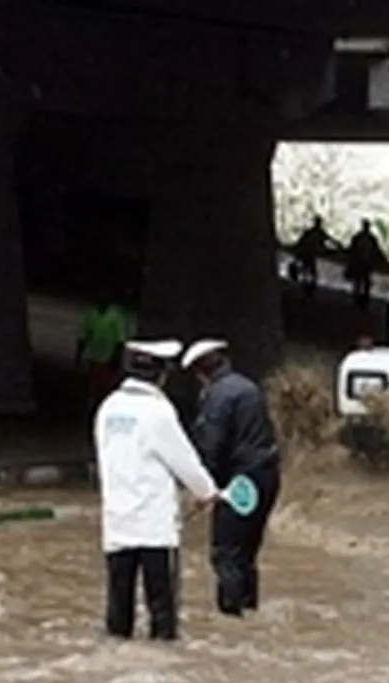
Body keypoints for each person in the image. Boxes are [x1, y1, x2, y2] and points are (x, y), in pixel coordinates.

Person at [94, 339, 219, 641]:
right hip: (154, 528)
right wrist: (207, 492)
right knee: (162, 612)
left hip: (117, 524)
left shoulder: (108, 408)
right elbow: (185, 461)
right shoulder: (158, 412)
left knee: (118, 610)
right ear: (162, 375)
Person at [182, 339, 282, 616]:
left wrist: (203, 489)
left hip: (239, 481)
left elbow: (212, 446)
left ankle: (232, 617)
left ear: (200, 374)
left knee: (226, 554)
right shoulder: (248, 386)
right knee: (247, 553)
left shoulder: (217, 396)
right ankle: (250, 609)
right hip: (267, 476)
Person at [77, 288, 131, 415]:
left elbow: (120, 340)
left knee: (107, 388)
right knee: (92, 387)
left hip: (109, 358)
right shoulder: (91, 313)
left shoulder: (116, 315)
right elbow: (84, 335)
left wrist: (116, 358)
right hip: (94, 356)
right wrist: (79, 354)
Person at [289, 215, 343, 296]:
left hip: (307, 253)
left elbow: (301, 241)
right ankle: (307, 283)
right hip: (309, 253)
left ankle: (304, 280)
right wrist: (338, 246)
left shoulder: (311, 232)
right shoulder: (318, 233)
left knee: (308, 269)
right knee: (311, 270)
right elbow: (329, 240)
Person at [346, 219, 387, 312]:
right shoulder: (371, 238)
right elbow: (377, 250)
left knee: (359, 281)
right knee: (364, 281)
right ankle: (363, 299)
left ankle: (358, 299)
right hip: (365, 263)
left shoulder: (358, 237)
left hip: (361, 262)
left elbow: (351, 249)